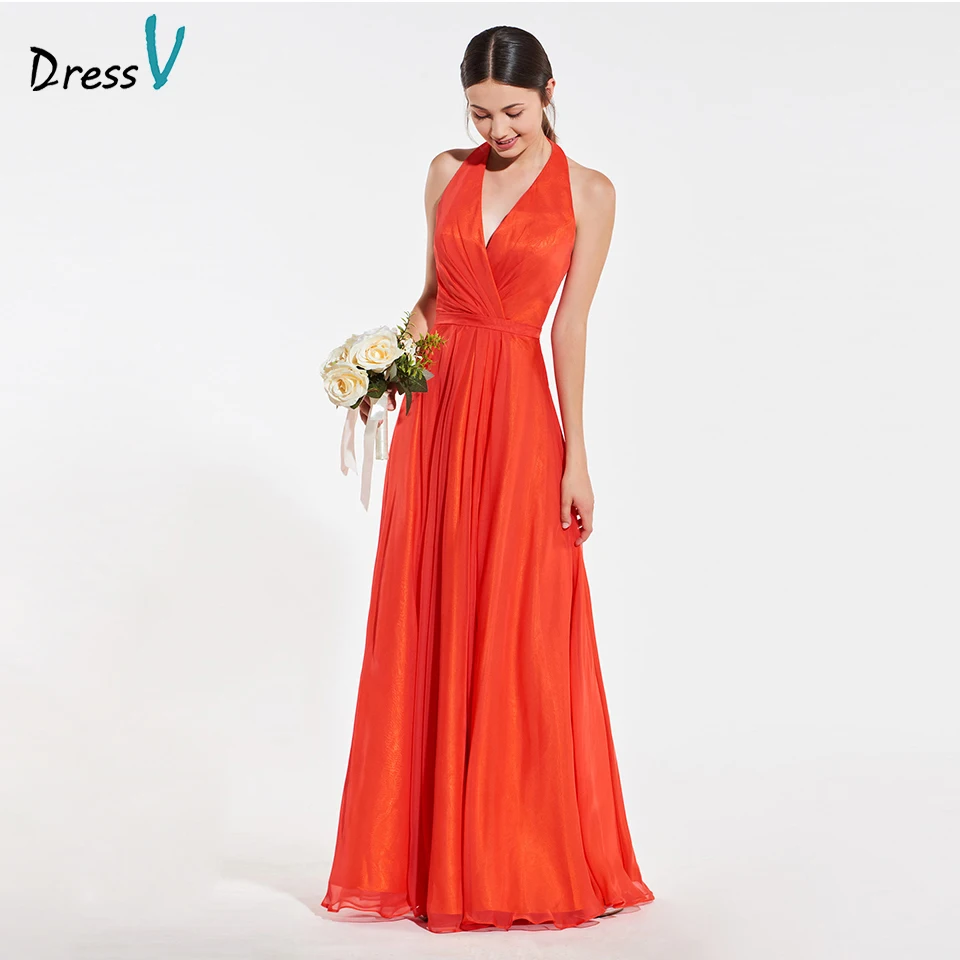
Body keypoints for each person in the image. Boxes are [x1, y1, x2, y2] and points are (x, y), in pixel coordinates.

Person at [321, 25, 655, 934]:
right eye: (479, 113)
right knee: (429, 607)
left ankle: (513, 854)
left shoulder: (590, 193)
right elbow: (433, 300)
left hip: (516, 419)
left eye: (512, 111)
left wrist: (576, 455)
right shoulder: (445, 172)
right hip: (436, 416)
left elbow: (569, 328)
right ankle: (424, 857)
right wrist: (381, 370)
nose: (497, 129)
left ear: (549, 91)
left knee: (517, 619)